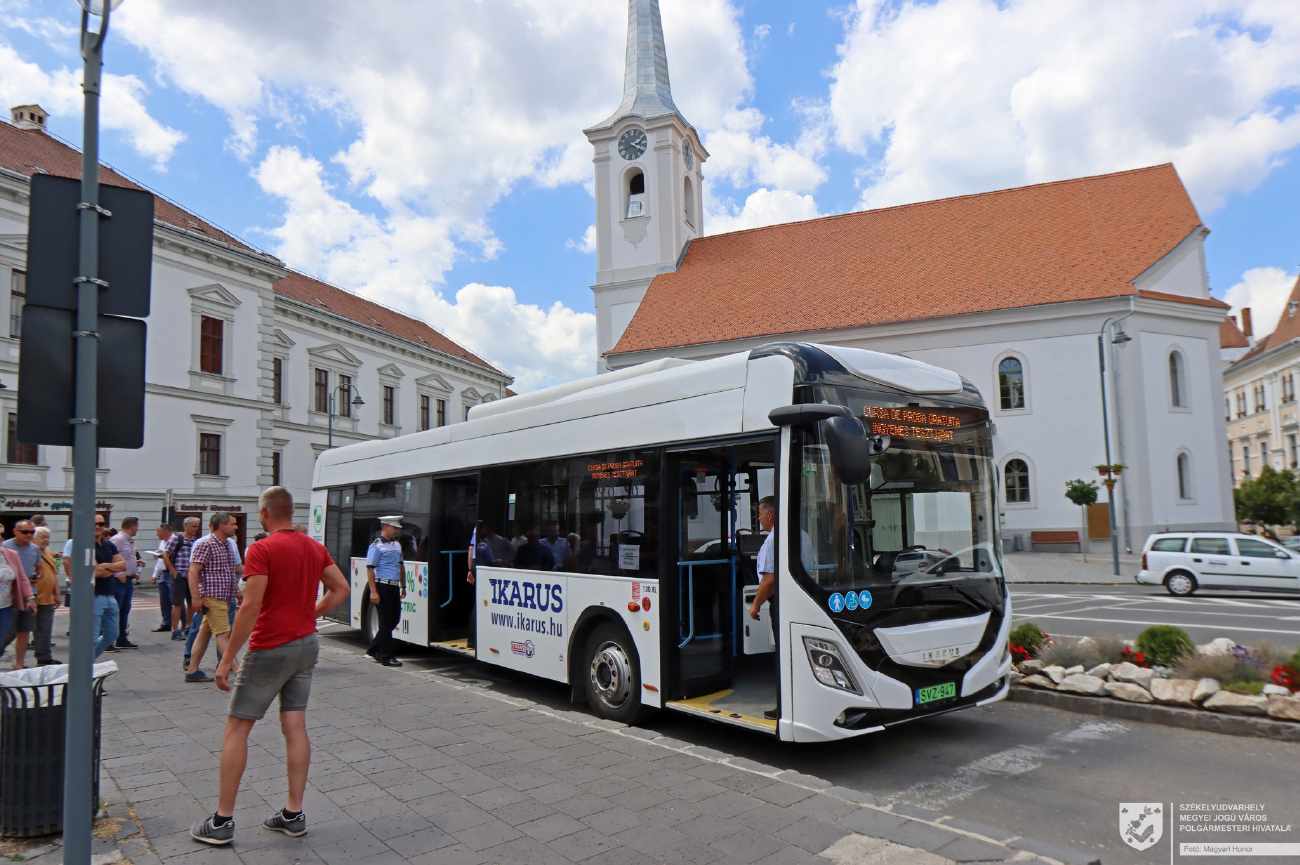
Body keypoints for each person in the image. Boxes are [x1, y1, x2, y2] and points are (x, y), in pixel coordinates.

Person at [190, 486, 348, 846]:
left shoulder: (261, 548)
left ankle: (222, 821)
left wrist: (227, 657)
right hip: (306, 644)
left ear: (264, 513)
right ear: (290, 512)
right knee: (295, 725)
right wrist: (309, 614)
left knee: (237, 729)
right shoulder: (313, 546)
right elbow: (340, 589)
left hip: (270, 647)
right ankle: (293, 814)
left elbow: (250, 606)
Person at [185, 514, 241, 683]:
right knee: (224, 635)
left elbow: (230, 571)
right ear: (222, 526)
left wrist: (236, 590)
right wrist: (196, 598)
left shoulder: (228, 545)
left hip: (224, 596)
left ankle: (192, 670)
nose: (236, 527)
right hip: (212, 596)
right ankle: (239, 673)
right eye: (233, 524)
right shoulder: (205, 544)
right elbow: (193, 571)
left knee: (204, 633)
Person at [748, 496, 780, 721]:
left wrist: (755, 605)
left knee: (782, 657)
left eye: (759, 514)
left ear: (769, 516)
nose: (758, 518)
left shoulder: (772, 541)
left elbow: (769, 581)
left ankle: (783, 706)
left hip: (779, 602)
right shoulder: (801, 534)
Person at [364, 516, 405, 668]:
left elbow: (400, 566)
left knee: (395, 619)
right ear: (386, 527)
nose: (397, 530)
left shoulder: (397, 545)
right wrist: (373, 592)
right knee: (386, 620)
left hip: (393, 586)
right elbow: (370, 569)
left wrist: (404, 586)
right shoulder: (377, 546)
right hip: (382, 586)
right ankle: (387, 656)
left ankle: (374, 648)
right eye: (395, 527)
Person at [1, 521, 41, 667]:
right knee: (9, 632)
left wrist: (30, 595)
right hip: (9, 601)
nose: (29, 535)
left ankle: (19, 664)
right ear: (15, 531)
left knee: (23, 630)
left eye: (32, 532)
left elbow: (26, 575)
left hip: (18, 598)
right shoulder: (7, 546)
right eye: (25, 532)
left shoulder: (29, 550)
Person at [92, 515, 127, 660]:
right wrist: (113, 568)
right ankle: (86, 667)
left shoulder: (108, 545)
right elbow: (95, 572)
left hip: (109, 594)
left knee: (112, 634)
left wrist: (105, 566)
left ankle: (88, 661)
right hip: (94, 595)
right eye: (95, 524)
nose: (98, 526)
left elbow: (123, 565)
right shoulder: (86, 546)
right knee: (92, 636)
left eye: (101, 523)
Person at [164, 518, 199, 642]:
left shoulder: (196, 541)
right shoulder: (176, 539)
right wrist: (173, 572)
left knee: (191, 603)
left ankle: (187, 626)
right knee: (178, 604)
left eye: (197, 526)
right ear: (186, 526)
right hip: (179, 575)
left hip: (191, 576)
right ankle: (175, 630)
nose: (196, 529)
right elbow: (166, 555)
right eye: (193, 526)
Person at [30, 527, 61, 665]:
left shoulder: (48, 553)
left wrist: (57, 594)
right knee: (18, 630)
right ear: (33, 538)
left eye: (47, 537)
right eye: (43, 537)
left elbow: (53, 574)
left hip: (47, 598)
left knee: (45, 630)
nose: (46, 540)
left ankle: (44, 658)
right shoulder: (30, 553)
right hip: (32, 598)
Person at [109, 517, 141, 649]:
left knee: (124, 610)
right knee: (115, 610)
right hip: (119, 580)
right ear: (133, 526)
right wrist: (117, 573)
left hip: (127, 580)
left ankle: (122, 638)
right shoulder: (118, 540)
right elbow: (108, 556)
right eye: (137, 526)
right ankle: (109, 640)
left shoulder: (126, 541)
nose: (138, 529)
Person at [0, 539, 34, 660]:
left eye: (1, 535)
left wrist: (30, 598)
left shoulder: (10, 554)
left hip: (5, 607)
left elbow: (22, 578)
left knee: (3, 637)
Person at [151, 524, 176, 633]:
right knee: (164, 601)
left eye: (158, 532)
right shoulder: (162, 542)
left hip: (171, 573)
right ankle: (166, 623)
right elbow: (160, 561)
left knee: (176, 600)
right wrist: (155, 575)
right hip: (163, 573)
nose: (157, 534)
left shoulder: (175, 540)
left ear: (164, 531)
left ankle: (185, 623)